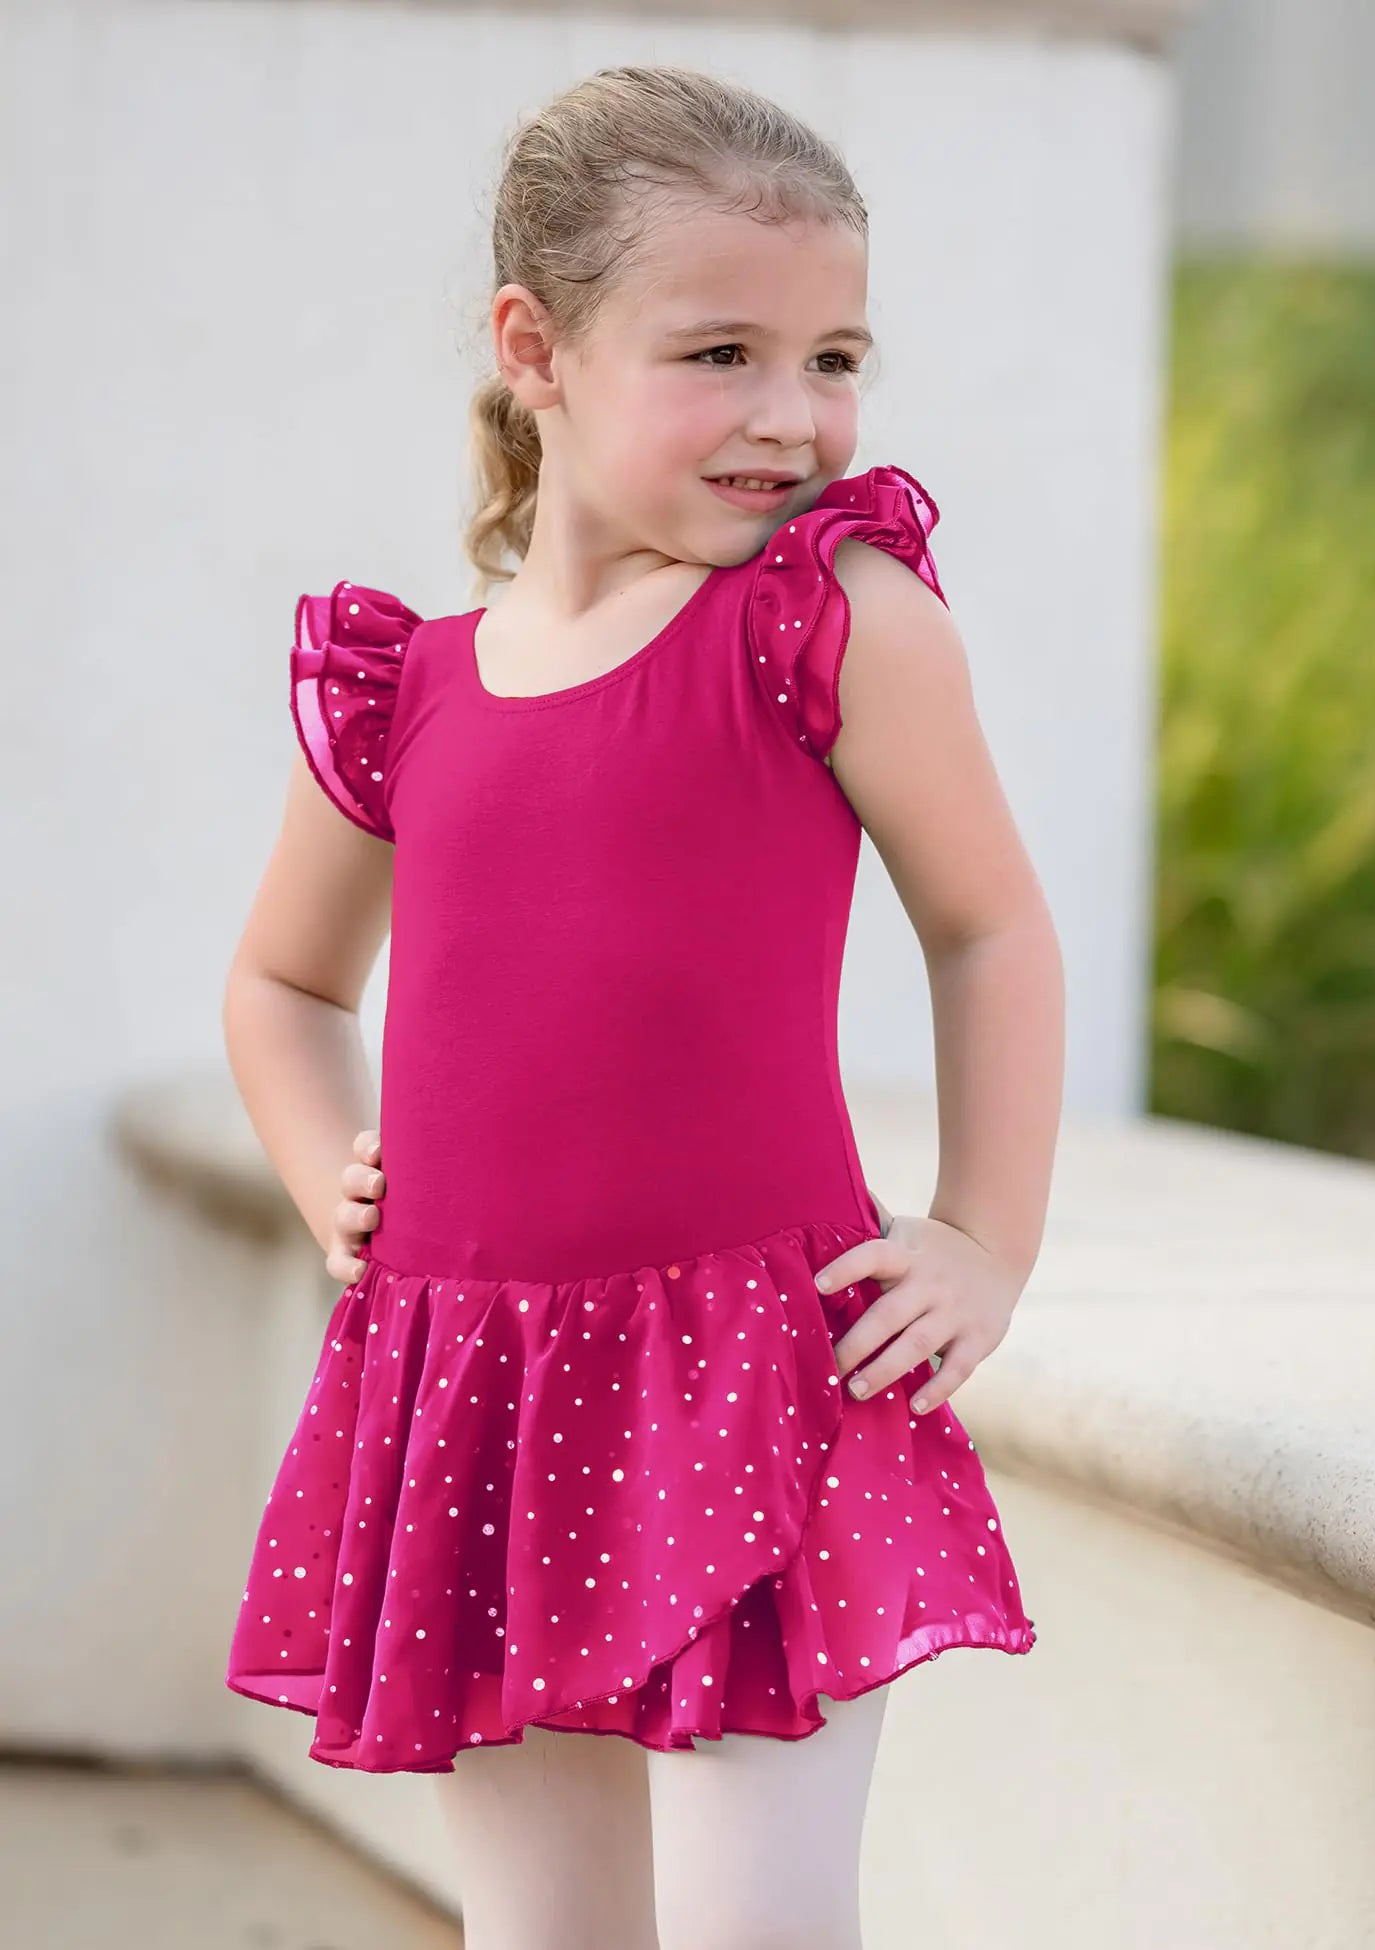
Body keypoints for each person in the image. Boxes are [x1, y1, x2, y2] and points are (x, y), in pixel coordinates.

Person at [222, 60, 1063, 1950]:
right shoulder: (407, 687)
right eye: (722, 354)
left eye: (835, 357)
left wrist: (985, 1238)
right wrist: (320, 1173)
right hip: (482, 1389)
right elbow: (282, 983)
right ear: (538, 345)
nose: (795, 416)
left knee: (759, 1928)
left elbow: (993, 925)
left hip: (759, 1378)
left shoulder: (829, 622)